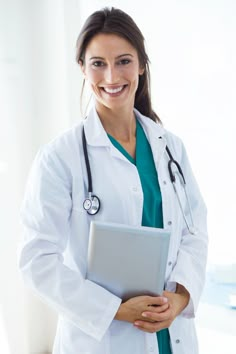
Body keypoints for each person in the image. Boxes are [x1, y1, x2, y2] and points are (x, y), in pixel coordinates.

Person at [18, 7, 208, 354]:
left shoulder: (170, 148)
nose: (111, 76)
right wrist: (114, 311)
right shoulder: (60, 157)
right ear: (82, 68)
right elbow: (37, 259)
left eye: (123, 61)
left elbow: (195, 232)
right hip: (102, 339)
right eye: (98, 64)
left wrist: (181, 298)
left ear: (141, 65)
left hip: (171, 333)